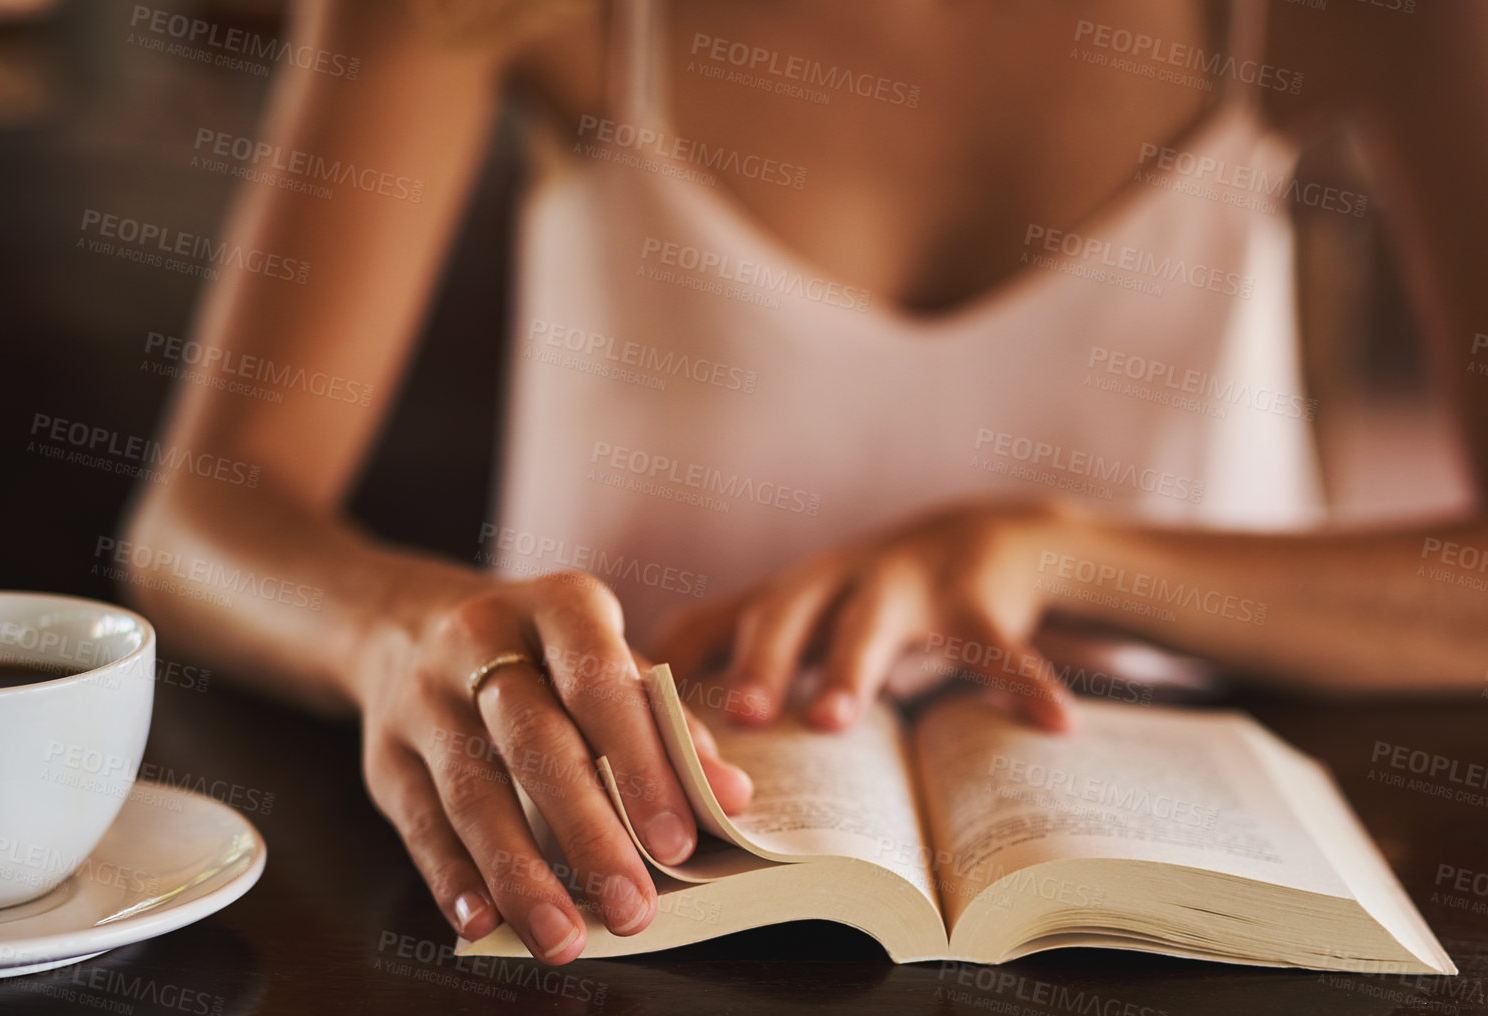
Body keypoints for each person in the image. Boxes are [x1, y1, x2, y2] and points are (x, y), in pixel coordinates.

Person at [120, 0, 1488, 964]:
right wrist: (392, 628)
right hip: (648, 926)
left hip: (1200, 944)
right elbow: (202, 514)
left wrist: (1059, 554)